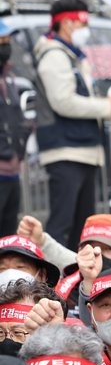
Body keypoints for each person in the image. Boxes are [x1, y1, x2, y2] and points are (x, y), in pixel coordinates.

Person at [33, 0, 111, 247]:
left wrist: (110, 101)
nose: (85, 30)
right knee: (62, 225)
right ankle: (49, 282)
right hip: (66, 151)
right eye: (81, 23)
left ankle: (75, 280)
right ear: (66, 23)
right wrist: (106, 107)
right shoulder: (54, 56)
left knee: (82, 228)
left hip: (84, 149)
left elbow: (81, 96)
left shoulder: (73, 56)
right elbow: (63, 101)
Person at [0, 19, 29, 236]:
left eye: (7, 40)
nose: (5, 45)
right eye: (1, 41)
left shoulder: (8, 76)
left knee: (8, 236)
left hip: (12, 169)